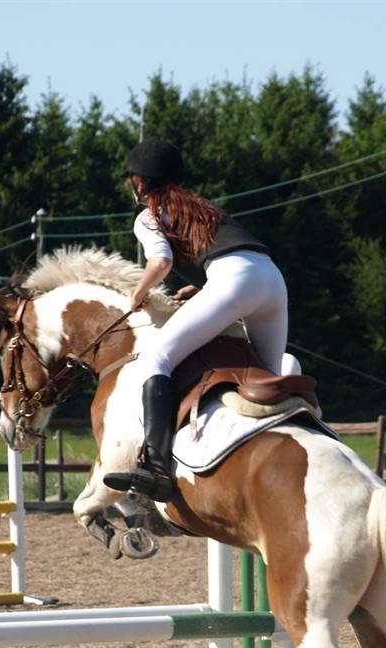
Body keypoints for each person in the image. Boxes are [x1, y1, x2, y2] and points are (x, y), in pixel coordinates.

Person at [111, 137, 289, 503]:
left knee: (155, 359)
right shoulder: (205, 208)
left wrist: (139, 292)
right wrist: (204, 287)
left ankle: (157, 470)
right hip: (272, 279)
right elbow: (231, 256)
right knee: (270, 380)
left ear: (140, 183)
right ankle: (310, 432)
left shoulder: (148, 216)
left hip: (233, 282)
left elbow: (161, 262)